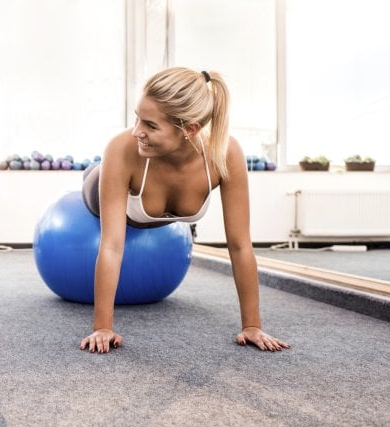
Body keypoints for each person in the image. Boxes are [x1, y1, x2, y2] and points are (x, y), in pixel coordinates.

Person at [79, 67, 290, 354]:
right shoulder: (122, 147)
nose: (137, 131)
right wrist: (102, 327)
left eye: (151, 126)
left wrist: (251, 325)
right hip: (99, 190)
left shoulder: (224, 154)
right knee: (95, 178)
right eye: (137, 118)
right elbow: (113, 245)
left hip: (153, 200)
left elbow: (240, 245)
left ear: (190, 129)